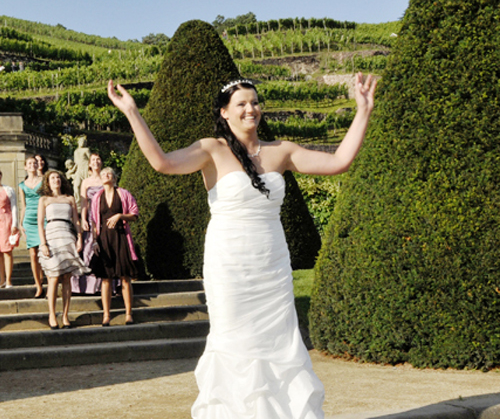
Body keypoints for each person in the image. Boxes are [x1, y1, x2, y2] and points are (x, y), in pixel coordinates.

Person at [107, 73, 377, 419]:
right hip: (230, 265)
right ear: (224, 112)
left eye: (255, 102)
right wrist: (132, 111)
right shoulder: (211, 149)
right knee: (236, 344)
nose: (251, 109)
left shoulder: (282, 151)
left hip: (272, 264)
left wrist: (363, 110)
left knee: (279, 343)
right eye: (242, 104)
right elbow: (163, 163)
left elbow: (339, 162)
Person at [37, 169, 91, 329]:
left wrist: (80, 238)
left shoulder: (69, 198)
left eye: (58, 178)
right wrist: (43, 243)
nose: (56, 180)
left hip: (67, 235)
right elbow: (40, 223)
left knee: (67, 278)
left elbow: (76, 220)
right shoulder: (44, 200)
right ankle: (52, 315)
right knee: (53, 278)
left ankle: (66, 315)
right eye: (52, 178)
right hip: (51, 236)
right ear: (48, 182)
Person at [89, 166, 139, 326]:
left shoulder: (123, 194)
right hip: (104, 240)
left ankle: (129, 313)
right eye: (103, 173)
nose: (105, 175)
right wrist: (95, 241)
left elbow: (134, 214)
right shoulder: (97, 197)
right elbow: (94, 222)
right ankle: (106, 315)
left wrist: (120, 216)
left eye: (108, 173)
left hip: (121, 238)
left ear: (114, 177)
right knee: (105, 279)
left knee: (125, 278)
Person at [72, 151, 103, 295]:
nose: (96, 162)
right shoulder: (86, 182)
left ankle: (105, 284)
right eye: (93, 160)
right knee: (88, 248)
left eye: (98, 159)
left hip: (104, 216)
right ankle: (88, 286)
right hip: (91, 217)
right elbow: (83, 202)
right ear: (89, 164)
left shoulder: (106, 178)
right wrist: (83, 219)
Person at [18, 156, 45, 298]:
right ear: (25, 167)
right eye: (29, 163)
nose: (32, 165)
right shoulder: (22, 185)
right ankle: (38, 285)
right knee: (33, 253)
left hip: (43, 217)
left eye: (34, 163)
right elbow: (23, 206)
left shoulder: (43, 181)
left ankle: (45, 278)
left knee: (45, 250)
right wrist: (20, 223)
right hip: (29, 219)